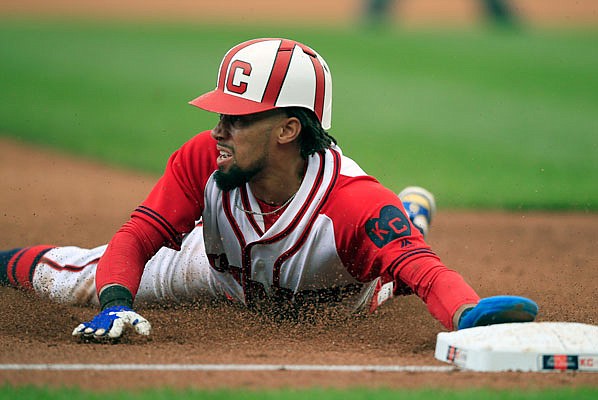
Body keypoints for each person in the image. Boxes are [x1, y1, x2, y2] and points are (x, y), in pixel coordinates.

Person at [0, 38, 538, 341]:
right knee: (79, 279)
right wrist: (116, 301)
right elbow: (140, 234)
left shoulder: (350, 203)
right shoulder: (205, 159)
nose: (218, 130)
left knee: (394, 263)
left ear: (288, 129)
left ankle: (407, 218)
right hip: (216, 277)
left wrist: (469, 319)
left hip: (346, 294)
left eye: (237, 118)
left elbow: (427, 271)